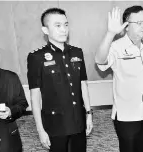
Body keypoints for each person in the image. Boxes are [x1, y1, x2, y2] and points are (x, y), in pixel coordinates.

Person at [95, 6, 143, 152]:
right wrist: (110, 33)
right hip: (128, 115)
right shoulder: (116, 47)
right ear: (126, 26)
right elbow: (100, 61)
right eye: (139, 22)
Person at [27, 8, 93, 152]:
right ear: (45, 30)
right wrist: (40, 129)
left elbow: (83, 85)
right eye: (57, 26)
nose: (63, 29)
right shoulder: (36, 57)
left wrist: (88, 114)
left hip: (78, 120)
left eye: (66, 24)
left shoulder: (77, 52)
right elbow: (35, 96)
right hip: (55, 123)